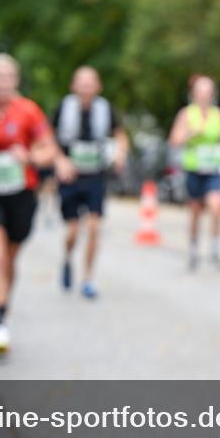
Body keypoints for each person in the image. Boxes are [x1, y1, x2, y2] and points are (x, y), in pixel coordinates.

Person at [0, 53, 73, 354]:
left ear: (16, 80)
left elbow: (49, 149)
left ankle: (2, 305)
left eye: (8, 76)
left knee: (9, 258)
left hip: (21, 193)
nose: (3, 82)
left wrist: (30, 157)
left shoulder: (28, 111)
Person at [52, 66, 128, 299]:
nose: (86, 87)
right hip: (70, 176)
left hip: (95, 175)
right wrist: (60, 160)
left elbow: (120, 135)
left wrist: (120, 154)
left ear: (98, 86)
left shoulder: (106, 109)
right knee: (73, 231)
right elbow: (46, 137)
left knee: (94, 228)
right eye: (82, 82)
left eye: (90, 82)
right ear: (73, 86)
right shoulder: (63, 107)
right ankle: (67, 258)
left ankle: (87, 279)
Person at [168, 74, 220, 271]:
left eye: (208, 92)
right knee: (195, 210)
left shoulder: (219, 114)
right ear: (194, 94)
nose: (204, 96)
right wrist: (189, 134)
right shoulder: (186, 114)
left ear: (213, 94)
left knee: (217, 205)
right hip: (194, 168)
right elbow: (174, 140)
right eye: (200, 92)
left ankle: (214, 249)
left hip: (213, 168)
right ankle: (194, 249)